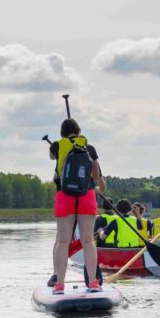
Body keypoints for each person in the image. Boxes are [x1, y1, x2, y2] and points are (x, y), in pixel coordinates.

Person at [49, 118, 105, 294]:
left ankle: (59, 284)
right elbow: (95, 174)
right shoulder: (89, 147)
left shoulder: (57, 145)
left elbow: (52, 157)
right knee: (88, 240)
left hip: (64, 195)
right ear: (79, 130)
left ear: (62, 132)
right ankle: (94, 282)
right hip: (86, 195)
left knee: (63, 241)